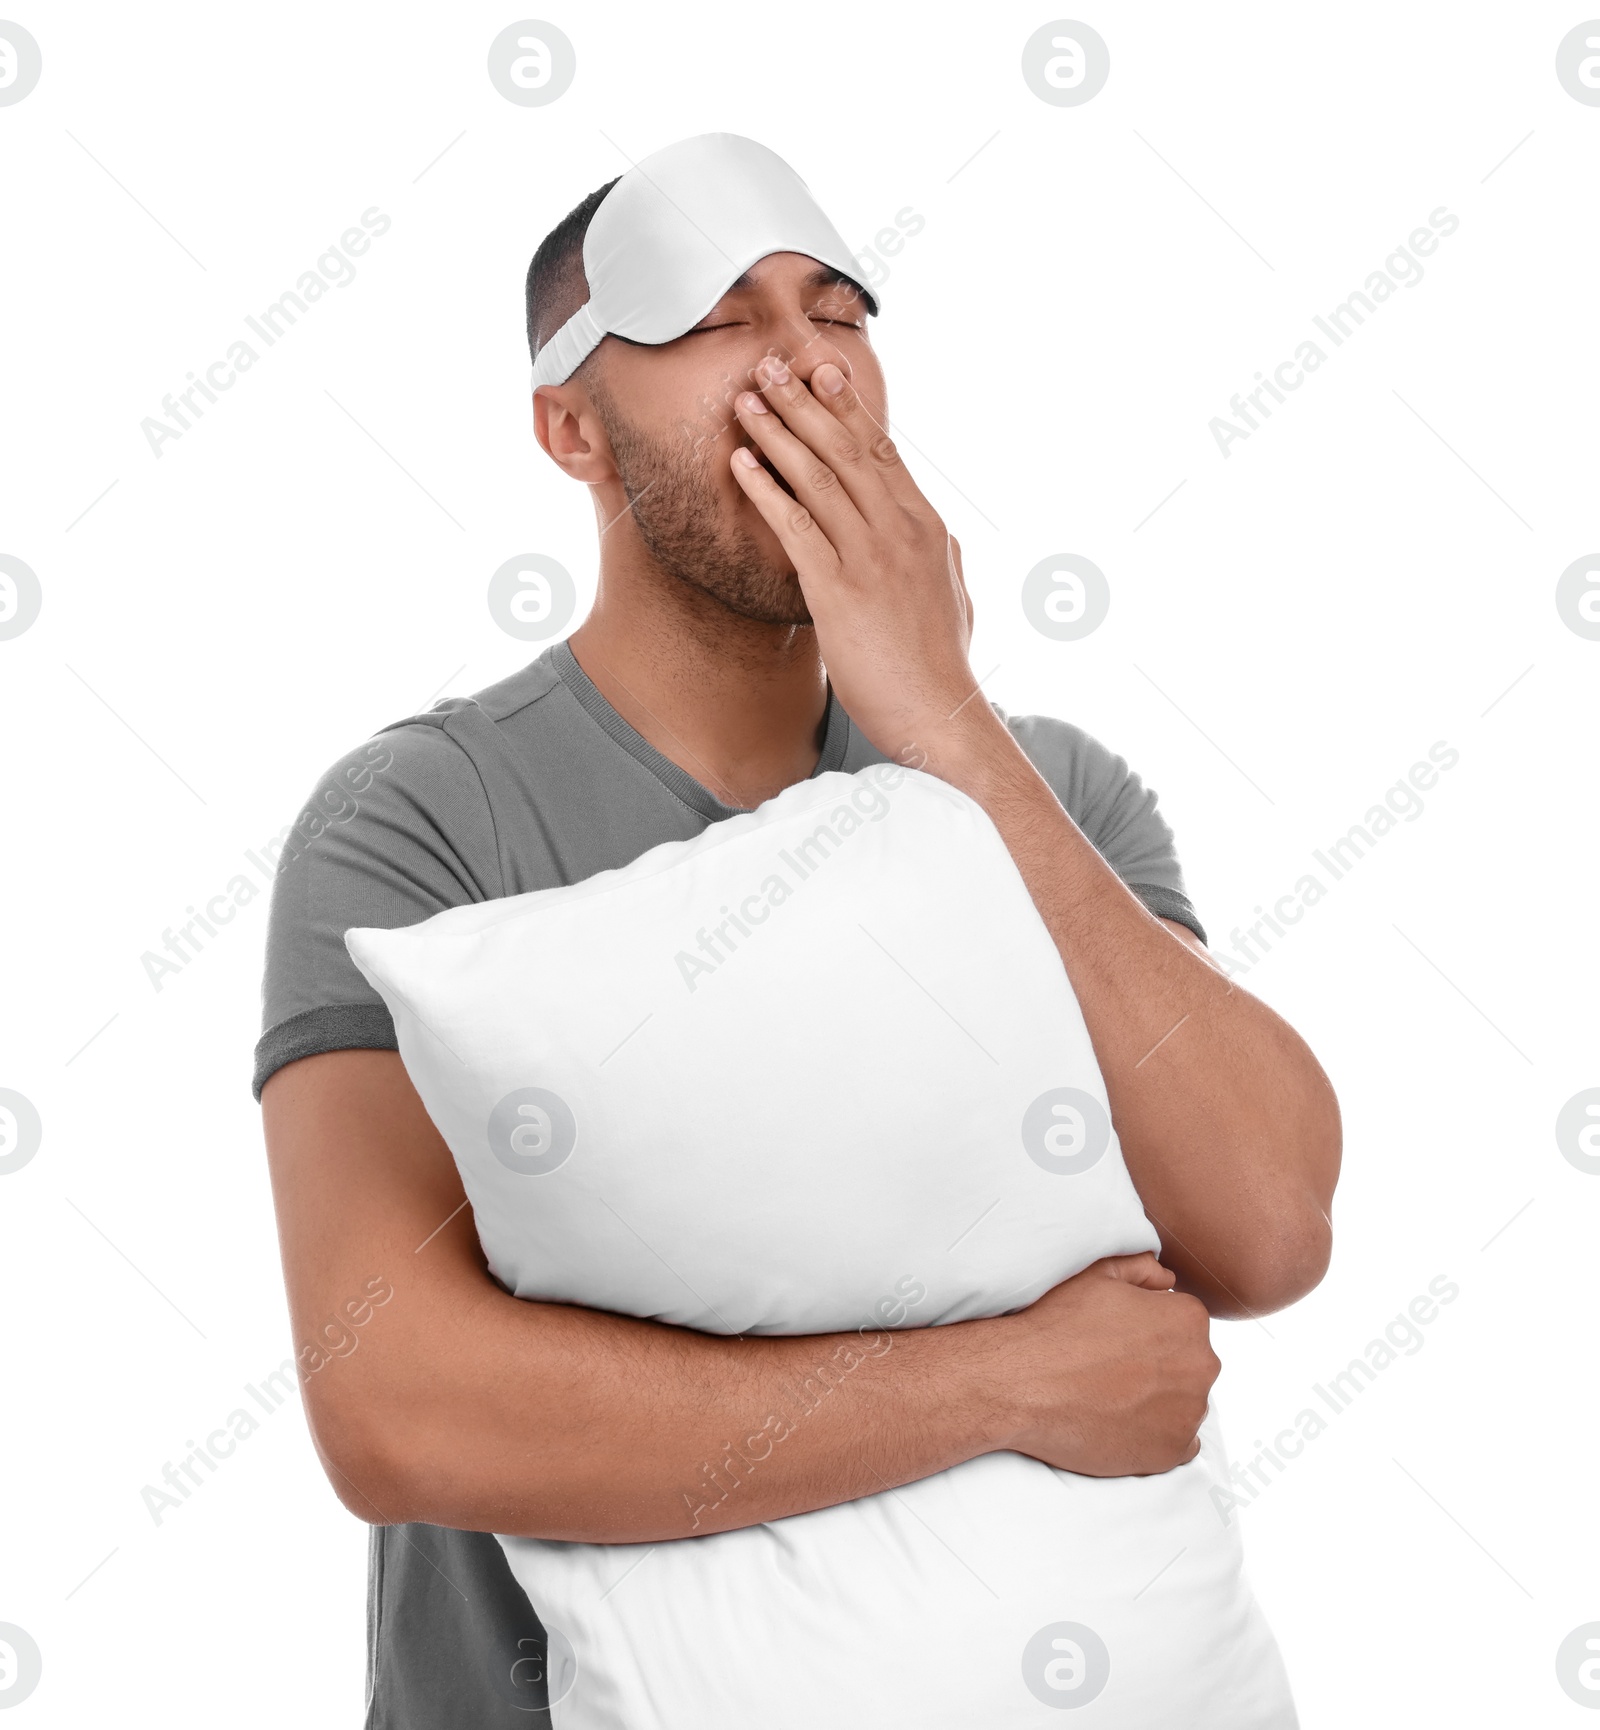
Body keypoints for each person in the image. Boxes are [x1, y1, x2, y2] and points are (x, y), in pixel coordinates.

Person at [257, 139, 1340, 1726]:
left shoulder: (1061, 793)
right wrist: (1011, 1383)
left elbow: (1266, 1224)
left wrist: (950, 732)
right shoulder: (422, 822)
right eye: (714, 323)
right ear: (571, 428)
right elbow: (396, 1404)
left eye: (836, 311)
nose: (803, 367)